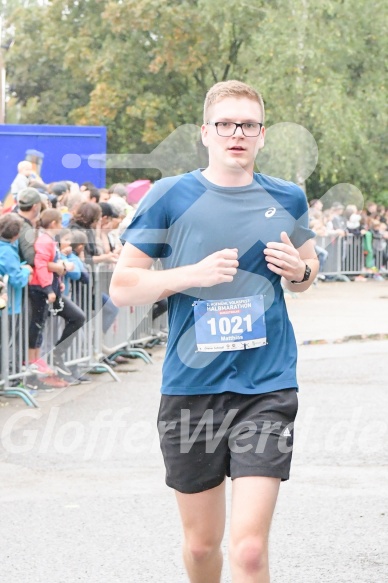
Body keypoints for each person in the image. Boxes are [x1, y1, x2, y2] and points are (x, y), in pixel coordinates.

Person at [110, 80, 318, 582]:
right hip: (192, 388)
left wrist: (298, 271)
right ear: (206, 132)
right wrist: (191, 275)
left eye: (248, 124)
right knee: (203, 549)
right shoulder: (169, 195)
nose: (237, 134)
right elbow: (122, 287)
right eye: (226, 124)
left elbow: (309, 272)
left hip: (265, 386)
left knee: (248, 551)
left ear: (262, 135)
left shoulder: (287, 196)